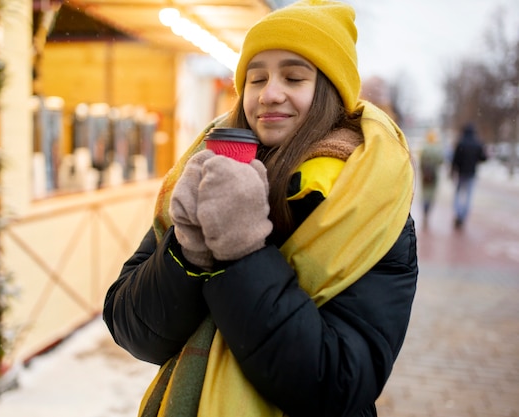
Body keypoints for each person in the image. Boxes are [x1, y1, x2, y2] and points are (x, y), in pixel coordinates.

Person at [103, 1, 418, 417]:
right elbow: (133, 328)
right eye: (256, 78)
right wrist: (187, 249)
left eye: (293, 77)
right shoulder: (207, 175)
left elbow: (337, 385)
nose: (269, 94)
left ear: (328, 91)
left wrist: (243, 250)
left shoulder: (370, 205)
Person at [451, 123, 487, 229]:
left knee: (458, 195)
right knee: (468, 196)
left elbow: (455, 159)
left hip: (461, 174)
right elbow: (483, 158)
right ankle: (463, 215)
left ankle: (458, 212)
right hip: (471, 174)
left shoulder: (461, 143)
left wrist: (453, 170)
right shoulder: (477, 143)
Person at [418, 129, 445, 228]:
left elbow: (420, 161)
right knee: (432, 194)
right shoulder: (438, 148)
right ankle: (428, 209)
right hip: (434, 175)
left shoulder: (424, 147)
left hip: (425, 174)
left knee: (425, 193)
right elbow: (441, 161)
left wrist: (423, 170)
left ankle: (424, 209)